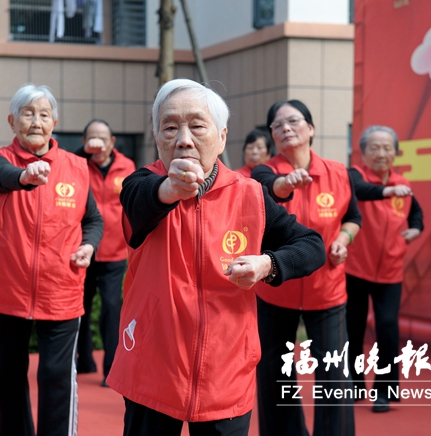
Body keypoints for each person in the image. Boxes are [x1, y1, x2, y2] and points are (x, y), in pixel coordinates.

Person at [105, 79, 326, 436]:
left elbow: (312, 245)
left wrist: (265, 264)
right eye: (170, 127)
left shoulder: (250, 195)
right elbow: (142, 203)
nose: (184, 139)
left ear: (222, 137)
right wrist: (171, 189)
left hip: (225, 373)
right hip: (152, 368)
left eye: (196, 126)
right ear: (157, 138)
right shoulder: (140, 184)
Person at [0, 84, 103, 436]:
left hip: (61, 289)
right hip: (6, 292)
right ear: (12, 121)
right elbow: (2, 178)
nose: (36, 121)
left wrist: (89, 246)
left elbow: (93, 219)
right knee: (7, 379)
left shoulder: (77, 168)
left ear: (54, 122)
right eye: (27, 113)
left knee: (55, 378)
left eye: (44, 114)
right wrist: (25, 176)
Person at [251, 100, 361, 436]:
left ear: (310, 128)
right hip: (275, 289)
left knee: (334, 376)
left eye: (293, 121)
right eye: (276, 125)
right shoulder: (262, 172)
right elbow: (271, 187)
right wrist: (286, 184)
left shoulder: (339, 173)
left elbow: (353, 218)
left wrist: (343, 239)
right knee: (275, 374)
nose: (284, 128)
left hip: (327, 290)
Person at [345, 125, 424, 413]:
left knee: (388, 327)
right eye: (374, 148)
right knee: (353, 328)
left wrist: (415, 229)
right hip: (355, 268)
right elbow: (362, 192)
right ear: (363, 153)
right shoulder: (354, 176)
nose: (381, 153)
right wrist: (387, 190)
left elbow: (416, 213)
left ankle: (385, 390)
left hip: (391, 270)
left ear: (395, 153)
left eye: (387, 148)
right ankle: (353, 384)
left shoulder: (403, 183)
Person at [74, 119, 136, 386]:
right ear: (84, 142)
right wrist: (83, 154)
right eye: (91, 138)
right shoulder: (78, 165)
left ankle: (111, 367)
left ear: (112, 142)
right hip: (83, 248)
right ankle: (83, 360)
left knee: (112, 308)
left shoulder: (127, 166)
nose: (97, 143)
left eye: (102, 138)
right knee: (81, 307)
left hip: (114, 250)